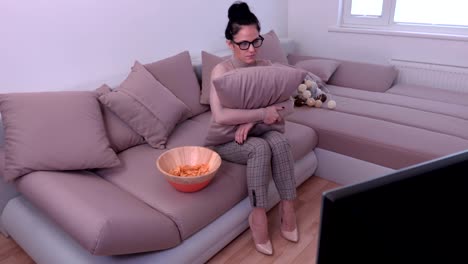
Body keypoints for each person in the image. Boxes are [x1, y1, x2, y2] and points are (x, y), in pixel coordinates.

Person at [208, 1, 298, 256]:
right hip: (225, 139)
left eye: (256, 41)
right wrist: (261, 113)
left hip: (257, 130)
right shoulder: (221, 70)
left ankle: (287, 207)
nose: (251, 49)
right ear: (230, 44)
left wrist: (252, 121)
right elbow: (221, 116)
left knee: (280, 142)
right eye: (244, 43)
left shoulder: (266, 66)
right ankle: (258, 215)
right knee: (259, 148)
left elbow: (288, 104)